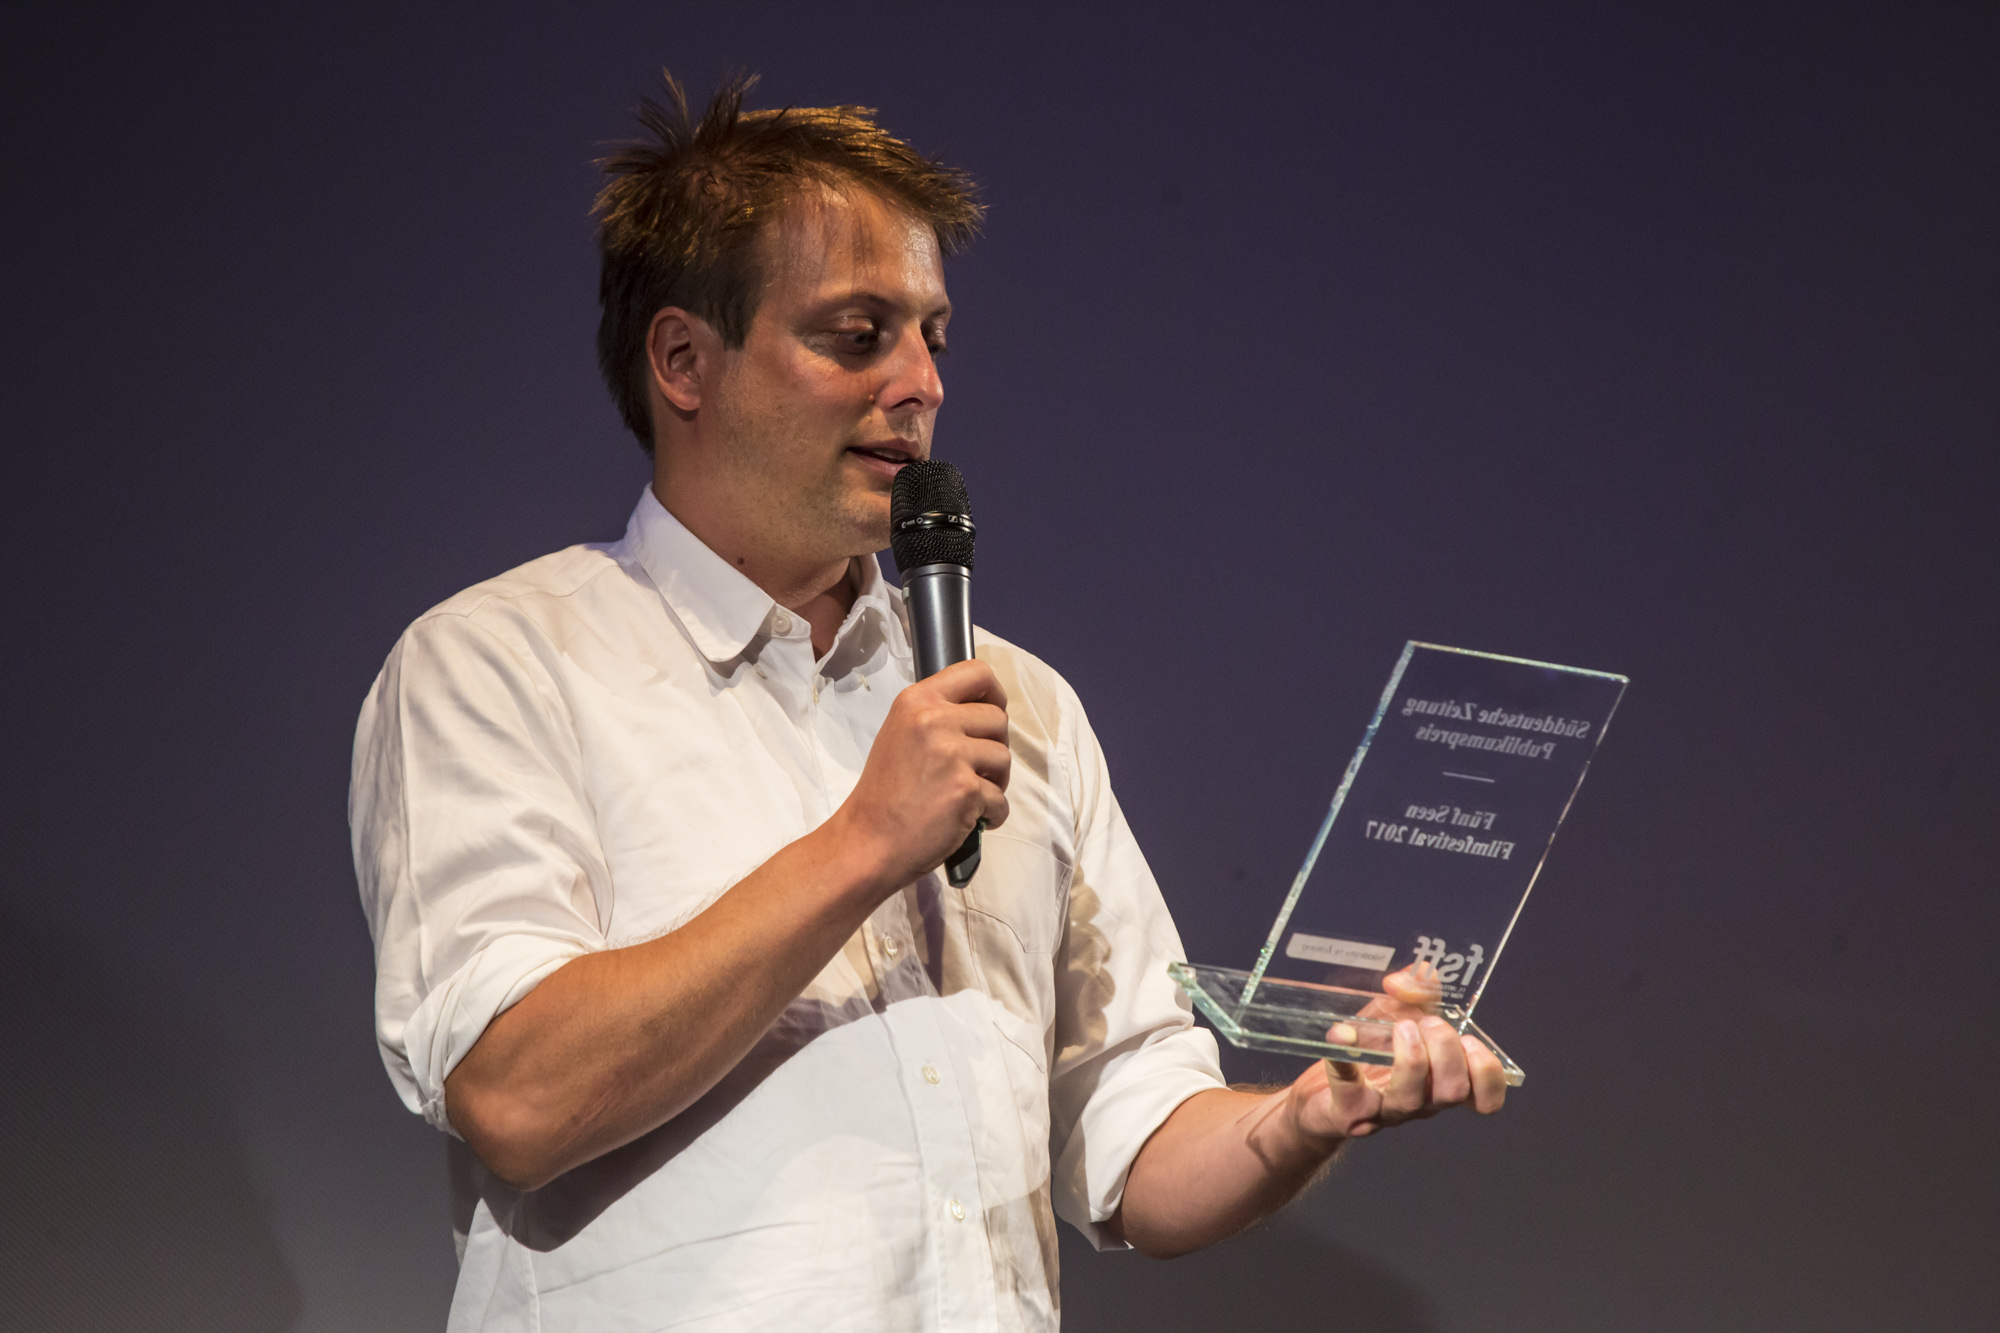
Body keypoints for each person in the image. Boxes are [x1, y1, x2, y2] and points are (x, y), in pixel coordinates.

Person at [351, 73, 1506, 1332]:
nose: (920, 384)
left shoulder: (1021, 700)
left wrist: (1307, 1111)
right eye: (857, 335)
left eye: (932, 337)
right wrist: (864, 842)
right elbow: (516, 1096)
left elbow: (1133, 1139)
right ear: (684, 360)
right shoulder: (501, 664)